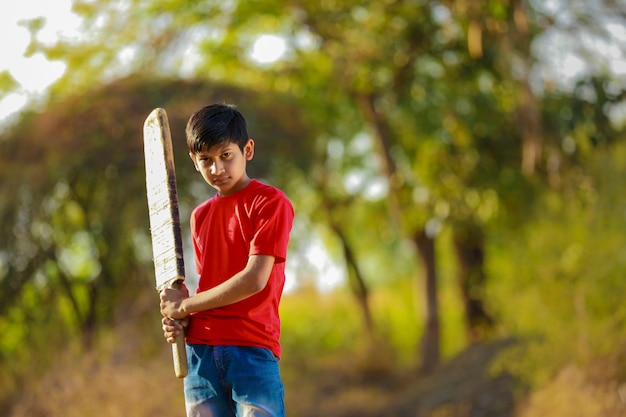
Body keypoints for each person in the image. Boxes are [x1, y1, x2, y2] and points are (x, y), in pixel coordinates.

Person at [159, 103, 294, 417]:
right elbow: (211, 287)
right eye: (205, 160)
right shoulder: (200, 216)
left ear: (247, 150)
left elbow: (254, 279)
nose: (216, 169)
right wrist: (179, 318)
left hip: (251, 349)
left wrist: (186, 306)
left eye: (225, 156)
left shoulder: (269, 202)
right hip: (200, 356)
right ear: (194, 161)